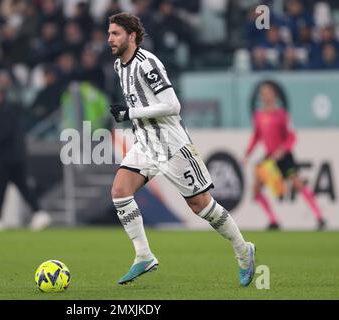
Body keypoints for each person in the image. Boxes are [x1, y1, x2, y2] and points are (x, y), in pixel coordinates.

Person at [107, 13, 255, 286]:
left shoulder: (148, 64)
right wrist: (132, 116)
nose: (110, 39)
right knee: (119, 191)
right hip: (146, 143)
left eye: (115, 33)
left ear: (131, 36)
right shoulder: (119, 66)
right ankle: (143, 255)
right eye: (109, 33)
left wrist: (131, 111)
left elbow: (173, 105)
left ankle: (243, 250)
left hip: (173, 145)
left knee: (201, 205)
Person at [243, 82, 326, 230]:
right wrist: (247, 153)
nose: (265, 96)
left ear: (274, 95)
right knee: (256, 189)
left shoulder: (282, 115)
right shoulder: (259, 116)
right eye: (263, 93)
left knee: (298, 183)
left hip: (284, 156)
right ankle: (274, 220)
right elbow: (256, 137)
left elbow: (292, 137)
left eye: (268, 93)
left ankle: (319, 217)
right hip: (270, 158)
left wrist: (282, 150)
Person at [0, 85, 51, 231]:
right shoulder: (8, 109)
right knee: (20, 187)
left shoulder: (4, 110)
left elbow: (6, 132)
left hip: (9, 157)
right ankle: (39, 213)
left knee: (5, 187)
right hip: (15, 157)